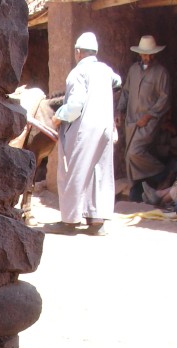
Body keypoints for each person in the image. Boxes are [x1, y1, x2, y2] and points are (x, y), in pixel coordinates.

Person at [47, 31, 122, 236]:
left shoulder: (77, 73)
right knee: (99, 171)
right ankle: (96, 221)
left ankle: (69, 221)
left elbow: (75, 106)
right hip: (105, 127)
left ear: (78, 52)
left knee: (74, 170)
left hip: (84, 127)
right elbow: (118, 81)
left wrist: (58, 116)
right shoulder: (105, 70)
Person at [117, 35, 172, 202]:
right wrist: (119, 109)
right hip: (131, 121)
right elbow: (126, 92)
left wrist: (149, 116)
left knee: (135, 153)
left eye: (150, 54)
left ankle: (162, 171)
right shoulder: (133, 70)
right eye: (144, 54)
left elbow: (164, 99)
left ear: (155, 54)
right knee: (129, 156)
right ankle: (138, 187)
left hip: (149, 122)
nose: (147, 57)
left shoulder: (161, 73)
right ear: (140, 54)